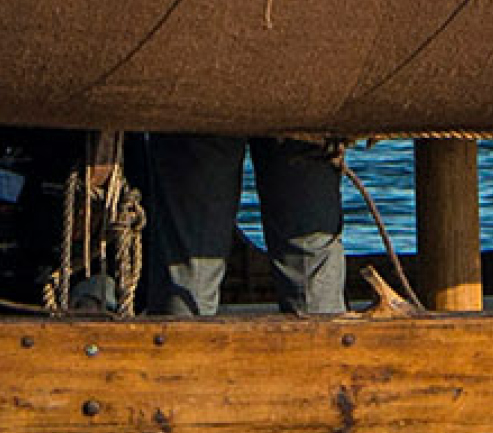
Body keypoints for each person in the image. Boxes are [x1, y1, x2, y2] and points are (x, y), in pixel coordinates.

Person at [131, 134, 350, 315]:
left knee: (191, 267)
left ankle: (179, 358)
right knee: (311, 259)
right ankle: (325, 356)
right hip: (307, 101)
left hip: (200, 102)